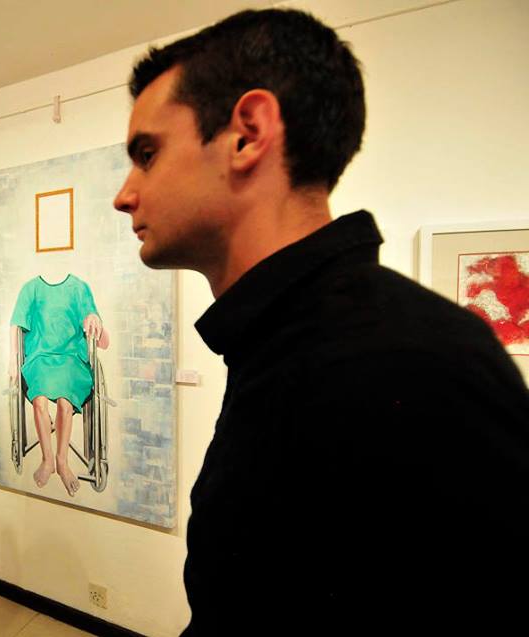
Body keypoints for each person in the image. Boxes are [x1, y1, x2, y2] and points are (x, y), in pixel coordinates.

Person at [113, 8, 529, 633]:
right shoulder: (295, 341)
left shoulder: (406, 363)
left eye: (148, 154)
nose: (124, 194)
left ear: (248, 133)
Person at [9, 272, 108, 496]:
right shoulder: (31, 288)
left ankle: (62, 461)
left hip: (71, 358)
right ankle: (47, 460)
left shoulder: (79, 288)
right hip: (40, 356)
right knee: (40, 400)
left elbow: (101, 337)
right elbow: (16, 325)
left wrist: (94, 319)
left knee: (65, 401)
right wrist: (12, 360)